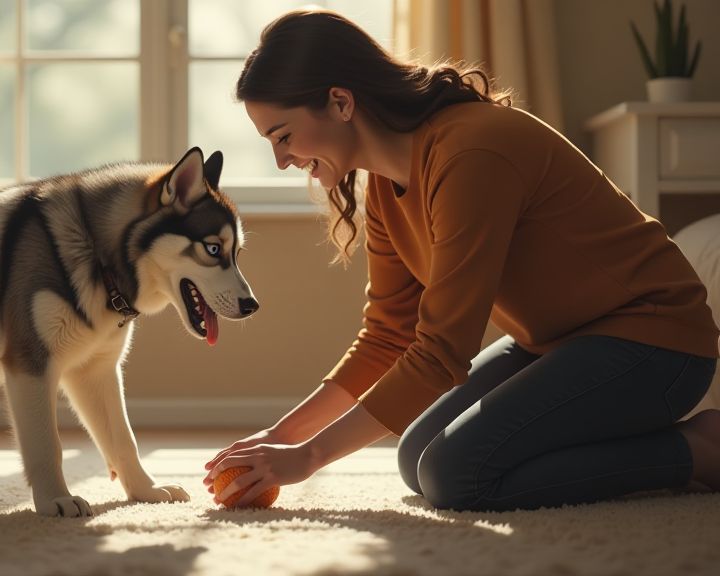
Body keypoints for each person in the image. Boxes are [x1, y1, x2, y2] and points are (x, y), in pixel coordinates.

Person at [202, 8, 720, 512]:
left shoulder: (471, 152)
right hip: (556, 343)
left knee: (456, 473)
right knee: (416, 458)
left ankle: (698, 450)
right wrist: (280, 436)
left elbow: (441, 350)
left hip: (655, 343)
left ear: (340, 102)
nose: (281, 159)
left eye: (284, 136)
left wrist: (309, 458)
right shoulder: (383, 188)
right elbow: (388, 334)